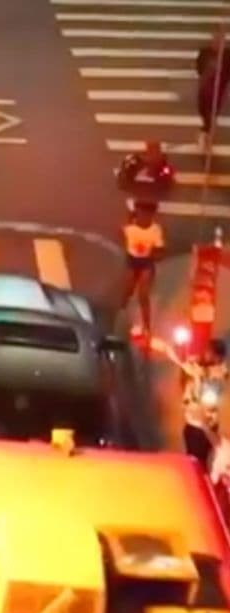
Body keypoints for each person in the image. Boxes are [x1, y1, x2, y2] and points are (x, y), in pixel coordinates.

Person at [153, 336, 228, 470]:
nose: (208, 355)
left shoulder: (221, 373)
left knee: (204, 462)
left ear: (219, 357)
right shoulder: (194, 365)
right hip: (193, 424)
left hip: (209, 425)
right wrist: (151, 341)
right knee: (193, 461)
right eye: (207, 351)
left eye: (212, 353)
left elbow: (219, 383)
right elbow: (170, 352)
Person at [120, 202, 164, 336]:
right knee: (128, 289)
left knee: (143, 295)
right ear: (137, 214)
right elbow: (122, 234)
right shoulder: (130, 228)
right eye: (141, 214)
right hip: (132, 261)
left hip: (146, 262)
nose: (144, 217)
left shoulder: (156, 230)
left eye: (148, 215)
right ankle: (121, 312)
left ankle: (146, 326)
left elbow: (160, 248)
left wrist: (155, 255)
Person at [115, 140, 174, 213]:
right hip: (139, 200)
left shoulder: (165, 169)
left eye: (156, 152)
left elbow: (166, 185)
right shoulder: (132, 163)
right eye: (151, 151)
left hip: (150, 200)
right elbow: (122, 182)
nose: (153, 156)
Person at [196, 28, 230, 150]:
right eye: (215, 40)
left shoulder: (227, 55)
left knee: (212, 115)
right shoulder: (204, 53)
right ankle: (205, 134)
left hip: (218, 91)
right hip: (205, 89)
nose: (216, 43)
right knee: (205, 112)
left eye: (220, 41)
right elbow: (199, 68)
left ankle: (206, 135)